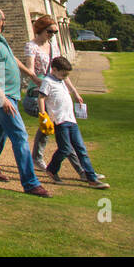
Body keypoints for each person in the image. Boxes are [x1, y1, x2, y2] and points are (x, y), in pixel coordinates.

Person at [0, 9, 50, 197]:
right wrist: (2, 98)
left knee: (0, 131)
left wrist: (31, 74)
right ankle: (30, 183)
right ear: (1, 21)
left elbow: (12, 58)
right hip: (2, 96)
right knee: (19, 135)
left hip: (10, 94)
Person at [23, 16, 86, 176]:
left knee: (52, 125)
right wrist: (41, 83)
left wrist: (74, 92)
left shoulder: (53, 47)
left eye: (55, 32)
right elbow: (30, 69)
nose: (52, 35)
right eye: (49, 31)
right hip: (38, 93)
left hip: (55, 90)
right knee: (60, 126)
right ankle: (83, 171)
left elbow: (62, 73)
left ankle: (37, 157)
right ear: (40, 29)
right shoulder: (31, 46)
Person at [39, 56, 110, 189]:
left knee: (81, 149)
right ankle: (52, 170)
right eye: (63, 73)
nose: (65, 76)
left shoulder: (61, 80)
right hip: (60, 120)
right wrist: (43, 115)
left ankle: (91, 178)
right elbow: (41, 97)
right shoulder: (48, 81)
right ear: (54, 70)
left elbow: (67, 88)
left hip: (71, 119)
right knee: (65, 149)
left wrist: (76, 94)